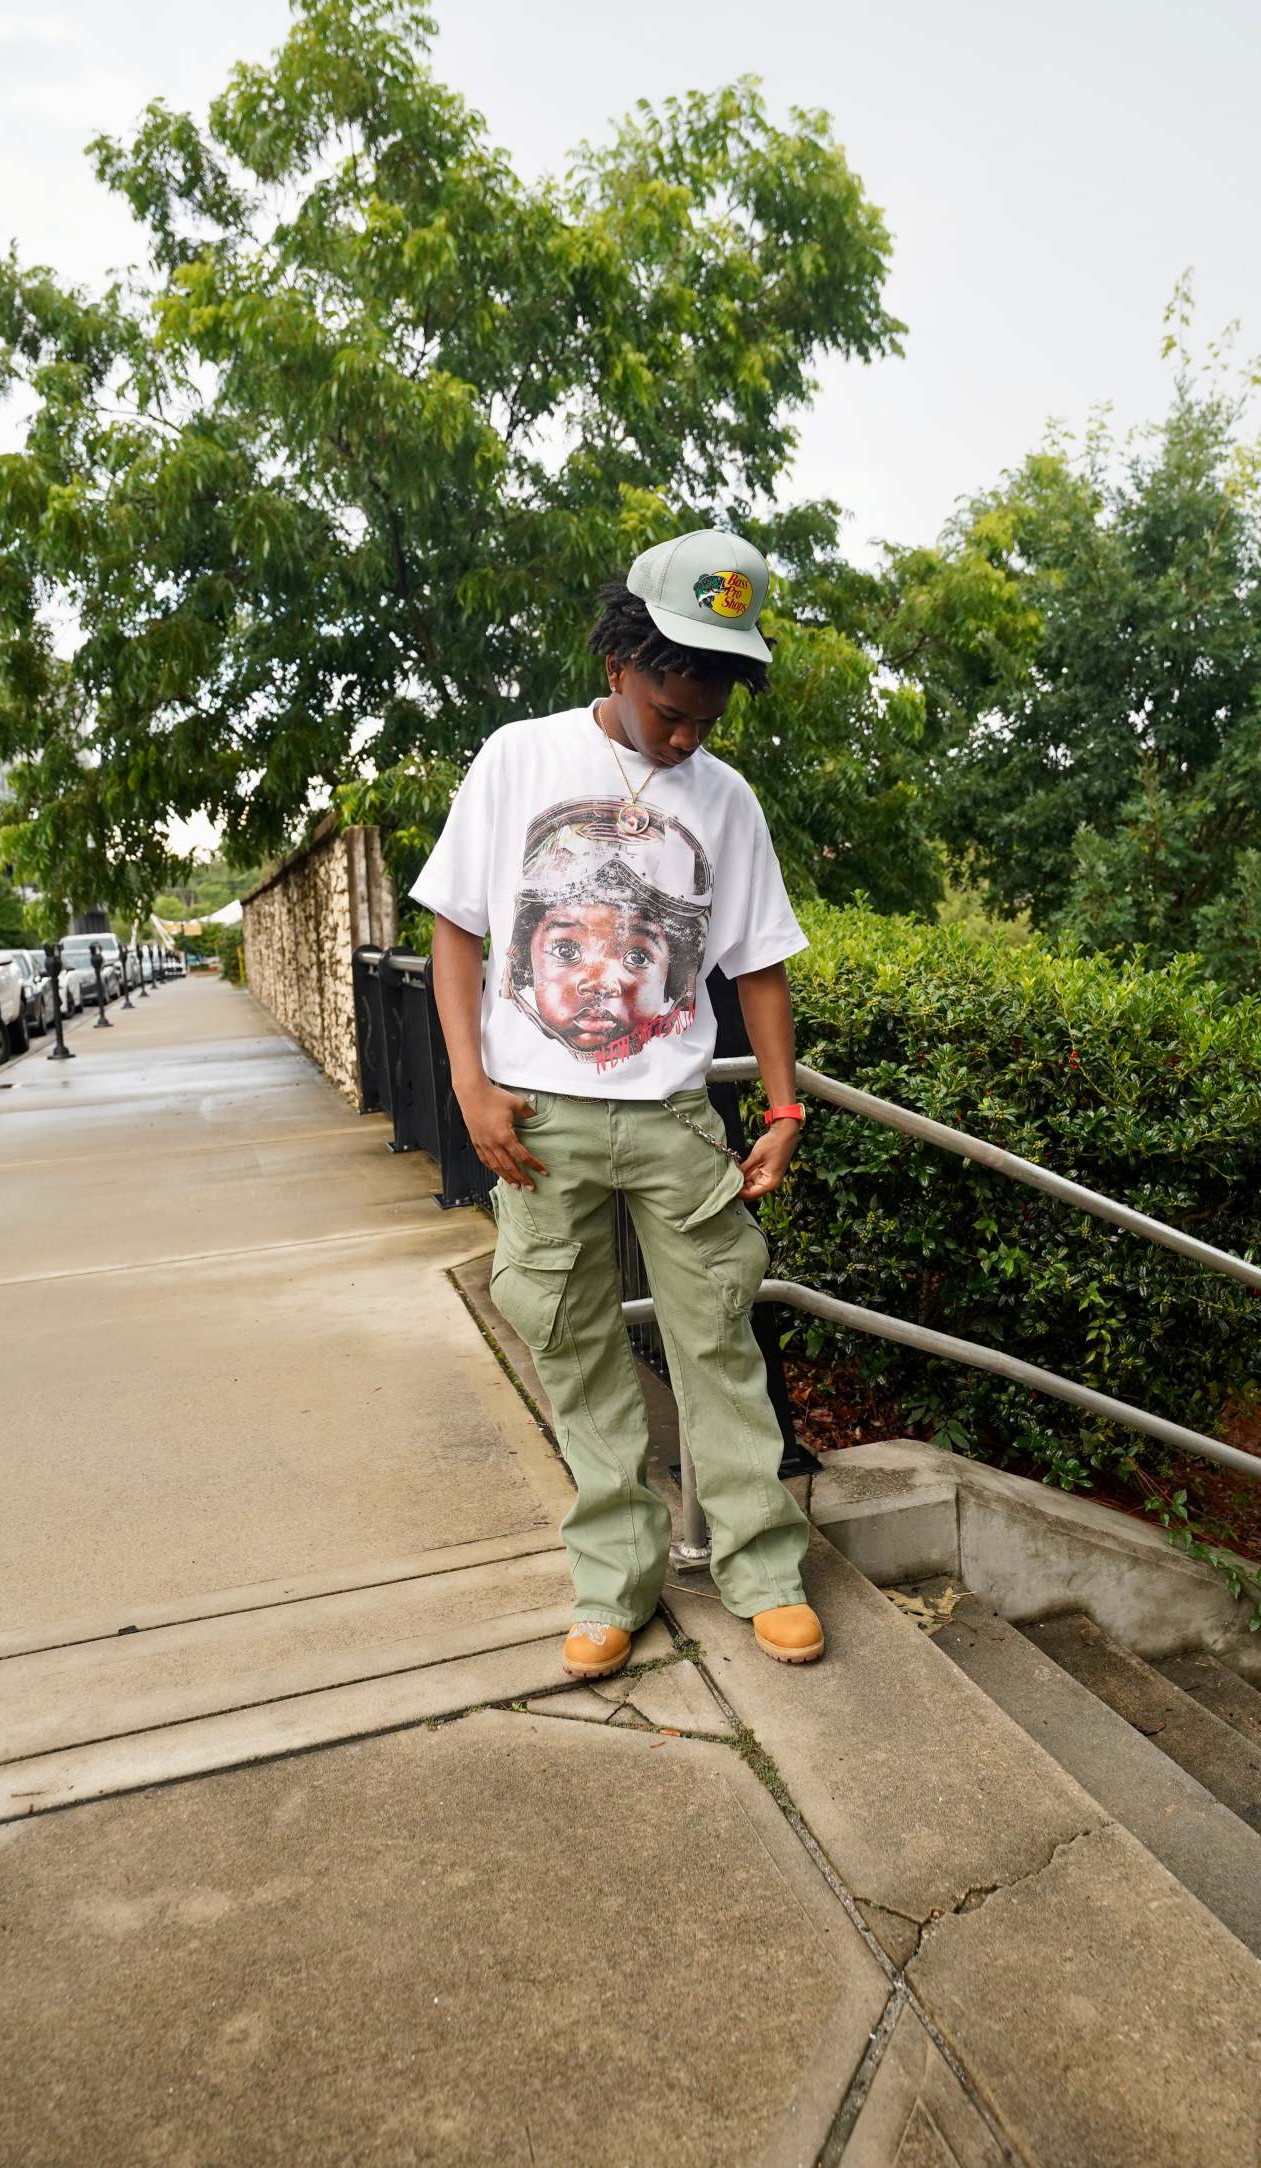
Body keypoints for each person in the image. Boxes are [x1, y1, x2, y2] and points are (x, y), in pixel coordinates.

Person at [415, 528, 823, 1679]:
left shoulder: (726, 800)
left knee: (717, 1335)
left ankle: (760, 1568)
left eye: (707, 717)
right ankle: (613, 1580)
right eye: (667, 711)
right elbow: (454, 928)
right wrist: (467, 1082)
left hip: (673, 1117)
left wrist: (782, 1110)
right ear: (617, 665)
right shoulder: (517, 757)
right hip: (537, 1119)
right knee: (571, 1342)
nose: (685, 736)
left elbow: (758, 966)